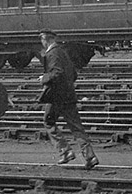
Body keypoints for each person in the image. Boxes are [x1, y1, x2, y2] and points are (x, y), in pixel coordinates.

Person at [38, 29, 98, 169]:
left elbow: (57, 73)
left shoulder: (51, 54)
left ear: (46, 40)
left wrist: (44, 79)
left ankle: (65, 151)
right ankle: (90, 156)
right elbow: (73, 74)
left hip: (57, 96)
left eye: (42, 40)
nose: (42, 43)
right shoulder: (63, 52)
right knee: (76, 127)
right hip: (69, 95)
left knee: (48, 121)